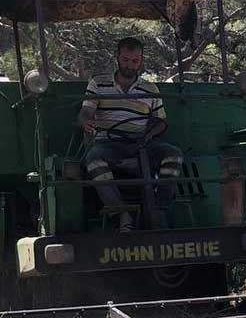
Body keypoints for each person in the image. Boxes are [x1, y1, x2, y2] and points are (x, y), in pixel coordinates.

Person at [77, 37, 184, 233]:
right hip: (109, 144)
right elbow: (85, 112)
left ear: (141, 61)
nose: (130, 65)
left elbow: (161, 121)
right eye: (126, 60)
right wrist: (86, 121)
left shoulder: (150, 89)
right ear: (117, 57)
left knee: (173, 154)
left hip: (141, 144)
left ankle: (160, 208)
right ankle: (121, 214)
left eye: (135, 61)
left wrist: (147, 137)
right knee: (93, 159)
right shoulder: (98, 84)